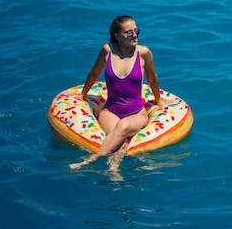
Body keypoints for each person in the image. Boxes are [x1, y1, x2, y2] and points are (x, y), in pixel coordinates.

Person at [69, 15, 166, 172]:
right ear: (117, 36)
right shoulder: (107, 51)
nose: (135, 35)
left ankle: (91, 160)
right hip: (110, 111)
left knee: (122, 127)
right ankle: (113, 172)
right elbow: (94, 73)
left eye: (136, 31)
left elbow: (152, 79)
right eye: (129, 32)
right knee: (119, 140)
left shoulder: (143, 53)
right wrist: (83, 94)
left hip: (137, 114)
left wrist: (158, 101)